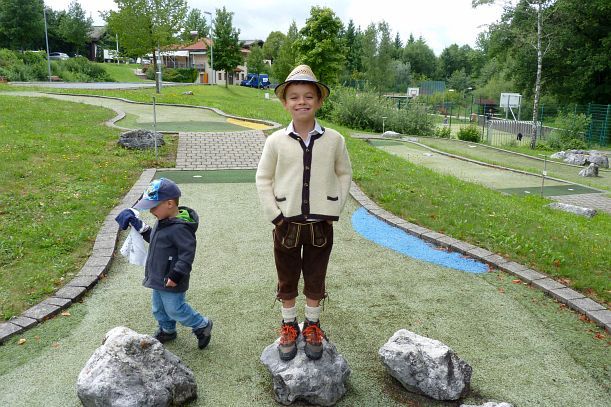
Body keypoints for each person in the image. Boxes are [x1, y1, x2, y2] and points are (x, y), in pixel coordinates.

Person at [256, 65, 352, 361]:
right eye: (294, 97)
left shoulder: (335, 140)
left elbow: (344, 172)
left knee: (315, 276)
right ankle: (288, 325)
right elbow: (263, 178)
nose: (301, 102)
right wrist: (275, 215)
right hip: (286, 223)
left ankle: (311, 324)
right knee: (287, 277)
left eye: (308, 96)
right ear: (285, 103)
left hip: (320, 224)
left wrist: (333, 208)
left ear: (319, 101)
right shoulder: (275, 141)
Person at [115, 178, 213, 349]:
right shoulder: (163, 220)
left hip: (172, 277)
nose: (151, 210)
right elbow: (156, 239)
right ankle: (168, 330)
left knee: (175, 308)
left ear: (169, 203)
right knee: (158, 308)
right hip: (159, 275)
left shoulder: (181, 228)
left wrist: (176, 275)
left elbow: (187, 255)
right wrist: (140, 226)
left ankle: (202, 325)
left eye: (154, 206)